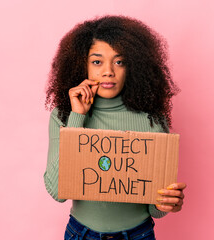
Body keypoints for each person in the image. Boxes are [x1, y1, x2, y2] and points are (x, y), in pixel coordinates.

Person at [44, 15, 187, 240]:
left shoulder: (152, 121)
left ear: (133, 66)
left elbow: (154, 210)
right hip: (81, 234)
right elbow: (56, 191)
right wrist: (77, 117)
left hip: (138, 234)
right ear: (83, 65)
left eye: (119, 62)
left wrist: (167, 203)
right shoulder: (64, 116)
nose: (108, 71)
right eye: (97, 62)